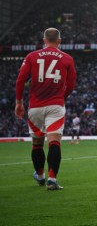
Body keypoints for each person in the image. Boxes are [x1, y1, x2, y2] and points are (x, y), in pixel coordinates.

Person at [14, 28, 76, 190]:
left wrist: (19, 102)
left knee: (37, 143)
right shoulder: (67, 58)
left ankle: (40, 175)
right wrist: (62, 97)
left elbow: (20, 80)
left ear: (44, 40)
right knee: (54, 141)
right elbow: (71, 85)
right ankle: (52, 179)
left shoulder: (32, 56)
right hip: (55, 106)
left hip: (35, 106)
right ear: (59, 41)